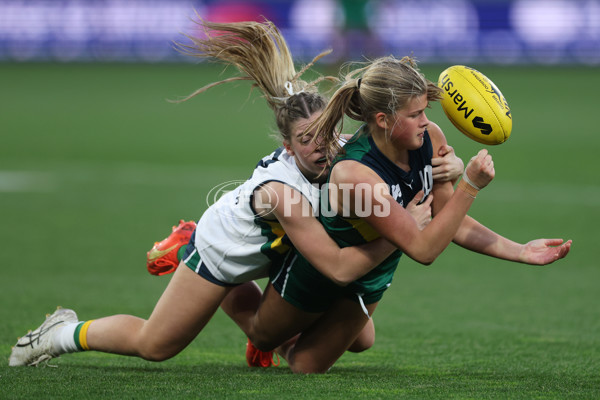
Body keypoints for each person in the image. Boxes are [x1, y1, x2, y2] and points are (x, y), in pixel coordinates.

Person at [8, 19, 462, 368]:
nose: (321, 146)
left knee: (359, 338)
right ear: (287, 146)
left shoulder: (342, 156)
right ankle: (60, 332)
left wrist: (447, 168)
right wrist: (406, 231)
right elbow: (341, 266)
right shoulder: (283, 194)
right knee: (156, 345)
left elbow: (387, 195)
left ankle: (264, 337)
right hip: (226, 250)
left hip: (289, 249)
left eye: (325, 134)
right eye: (306, 140)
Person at [238, 56, 572, 374]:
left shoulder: (429, 137)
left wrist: (521, 250)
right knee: (263, 335)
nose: (425, 121)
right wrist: (469, 185)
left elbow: (445, 221)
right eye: (415, 114)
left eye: (424, 110)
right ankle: (195, 253)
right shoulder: (356, 174)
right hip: (322, 270)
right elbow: (424, 249)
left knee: (312, 362)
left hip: (372, 275)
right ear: (383, 119)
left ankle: (299, 331)